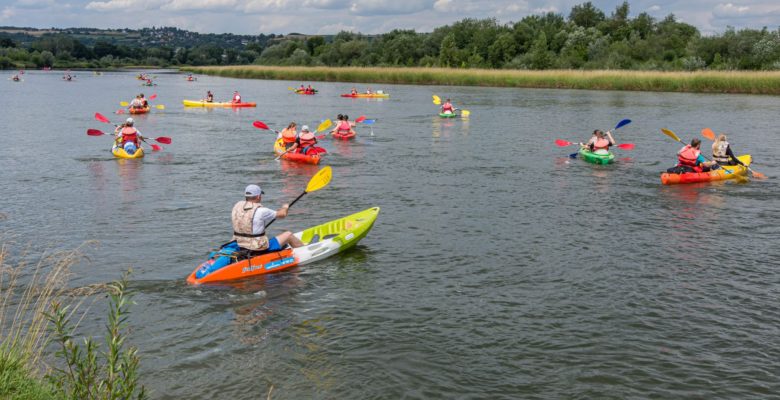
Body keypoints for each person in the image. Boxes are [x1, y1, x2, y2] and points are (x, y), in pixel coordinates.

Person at [231, 184, 303, 255]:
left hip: (239, 244)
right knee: (288, 235)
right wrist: (285, 207)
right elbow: (282, 214)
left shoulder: (237, 206)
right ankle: (304, 252)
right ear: (258, 196)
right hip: (256, 248)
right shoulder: (262, 211)